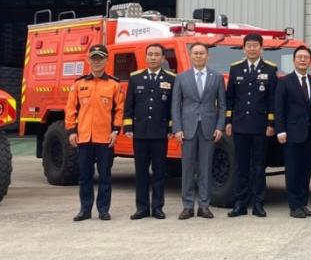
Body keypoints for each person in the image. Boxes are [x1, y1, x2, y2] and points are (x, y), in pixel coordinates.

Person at [65, 44, 123, 222]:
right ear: (88, 60)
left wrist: (116, 131)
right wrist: (72, 131)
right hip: (84, 137)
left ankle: (103, 210)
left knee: (105, 175)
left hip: (105, 138)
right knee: (85, 175)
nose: (97, 62)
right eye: (94, 58)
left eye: (100, 58)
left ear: (106, 60)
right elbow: (71, 109)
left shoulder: (114, 85)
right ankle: (85, 210)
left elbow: (119, 110)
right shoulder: (79, 84)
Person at [225, 33, 278, 218]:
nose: (252, 48)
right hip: (240, 125)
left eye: (255, 45)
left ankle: (258, 204)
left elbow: (272, 99)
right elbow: (230, 97)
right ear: (243, 48)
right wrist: (228, 121)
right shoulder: (235, 68)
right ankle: (240, 203)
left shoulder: (270, 69)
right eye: (249, 45)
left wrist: (271, 123)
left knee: (259, 167)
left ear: (261, 48)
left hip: (260, 126)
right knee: (241, 166)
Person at [171, 42, 226, 220]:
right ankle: (187, 206)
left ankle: (204, 206)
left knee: (206, 168)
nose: (199, 56)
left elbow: (222, 105)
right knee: (187, 169)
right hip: (187, 129)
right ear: (190, 55)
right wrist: (177, 128)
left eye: (202, 53)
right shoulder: (181, 77)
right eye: (195, 53)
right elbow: (175, 106)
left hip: (209, 129)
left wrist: (219, 127)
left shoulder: (217, 77)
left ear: (208, 56)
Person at [123, 43, 176, 220]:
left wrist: (171, 127)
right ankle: (142, 208)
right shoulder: (135, 78)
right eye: (150, 54)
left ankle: (158, 207)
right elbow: (129, 105)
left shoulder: (171, 78)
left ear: (163, 58)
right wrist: (128, 127)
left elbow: (173, 107)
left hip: (160, 133)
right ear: (145, 57)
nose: (153, 57)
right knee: (141, 172)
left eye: (157, 54)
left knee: (159, 172)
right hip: (140, 133)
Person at [274, 45, 311, 218]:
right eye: (299, 57)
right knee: (293, 171)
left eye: (306, 57)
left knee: (306, 170)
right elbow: (279, 108)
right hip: (292, 133)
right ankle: (294, 206)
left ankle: (303, 204)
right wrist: (280, 131)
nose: (303, 60)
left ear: (310, 61)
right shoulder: (284, 81)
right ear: (294, 60)